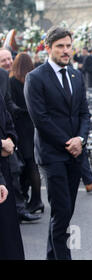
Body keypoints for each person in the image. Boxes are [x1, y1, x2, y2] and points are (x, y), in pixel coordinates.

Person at [24, 26, 91, 260]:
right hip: (52, 155)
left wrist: (80, 139)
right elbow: (40, 119)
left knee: (66, 213)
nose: (66, 51)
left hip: (75, 154)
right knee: (61, 212)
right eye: (60, 46)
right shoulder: (35, 78)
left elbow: (84, 113)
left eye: (68, 46)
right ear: (47, 48)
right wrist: (68, 142)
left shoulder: (76, 75)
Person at [10, 53, 44, 213]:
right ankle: (36, 199)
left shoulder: (13, 81)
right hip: (33, 125)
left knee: (27, 164)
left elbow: (13, 106)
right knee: (32, 164)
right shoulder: (33, 79)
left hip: (21, 126)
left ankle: (34, 200)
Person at [0, 95, 25, 259]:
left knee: (8, 234)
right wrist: (1, 144)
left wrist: (9, 140)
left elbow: (8, 123)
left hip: (4, 168)